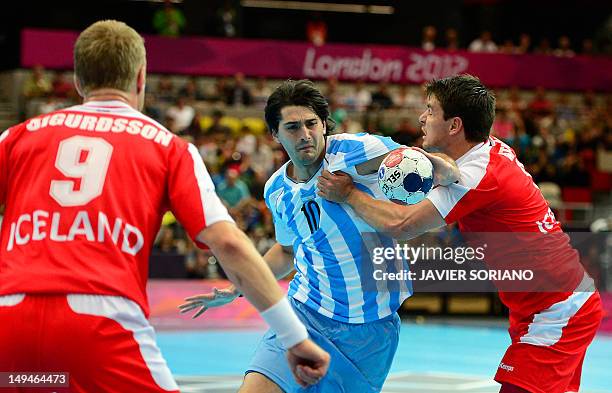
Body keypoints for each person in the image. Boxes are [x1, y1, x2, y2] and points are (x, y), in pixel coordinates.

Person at [0, 20, 329, 392]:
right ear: (141, 78)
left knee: (44, 385)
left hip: (9, 324)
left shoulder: (18, 136)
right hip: (101, 326)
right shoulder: (166, 147)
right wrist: (293, 337)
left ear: (78, 81)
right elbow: (230, 244)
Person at [315, 74, 603, 393]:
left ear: (454, 126)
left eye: (430, 110)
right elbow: (448, 168)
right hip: (543, 305)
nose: (422, 117)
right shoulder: (488, 151)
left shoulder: (478, 175)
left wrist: (349, 195)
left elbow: (402, 225)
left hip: (558, 308)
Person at [179, 79, 460, 392]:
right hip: (305, 313)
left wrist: (442, 170)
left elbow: (441, 169)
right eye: (292, 127)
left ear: (324, 125)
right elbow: (286, 252)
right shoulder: (276, 190)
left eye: (311, 124)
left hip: (371, 329)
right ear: (275, 134)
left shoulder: (359, 151)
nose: (304, 135)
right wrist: (238, 286)